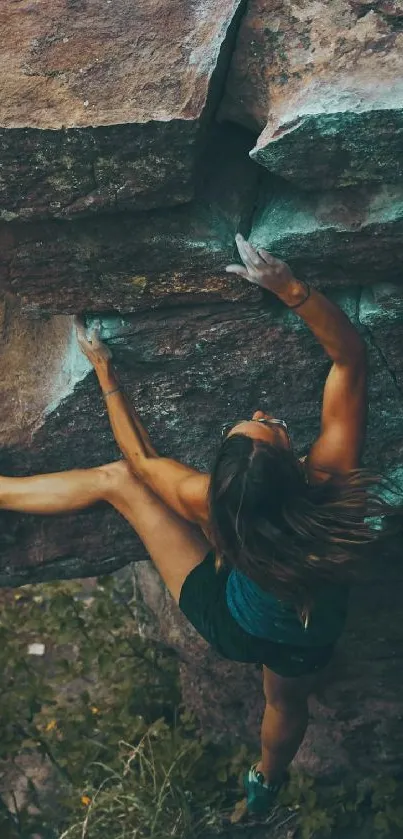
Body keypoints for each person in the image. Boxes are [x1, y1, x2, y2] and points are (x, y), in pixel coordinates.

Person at [1, 234, 381, 817]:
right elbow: (349, 358)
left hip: (231, 622)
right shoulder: (332, 489)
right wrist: (291, 288)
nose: (259, 414)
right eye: (265, 425)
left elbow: (140, 464)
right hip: (305, 635)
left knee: (118, 483)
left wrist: (106, 372)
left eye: (256, 424)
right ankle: (267, 782)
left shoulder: (207, 501)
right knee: (284, 702)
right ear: (290, 463)